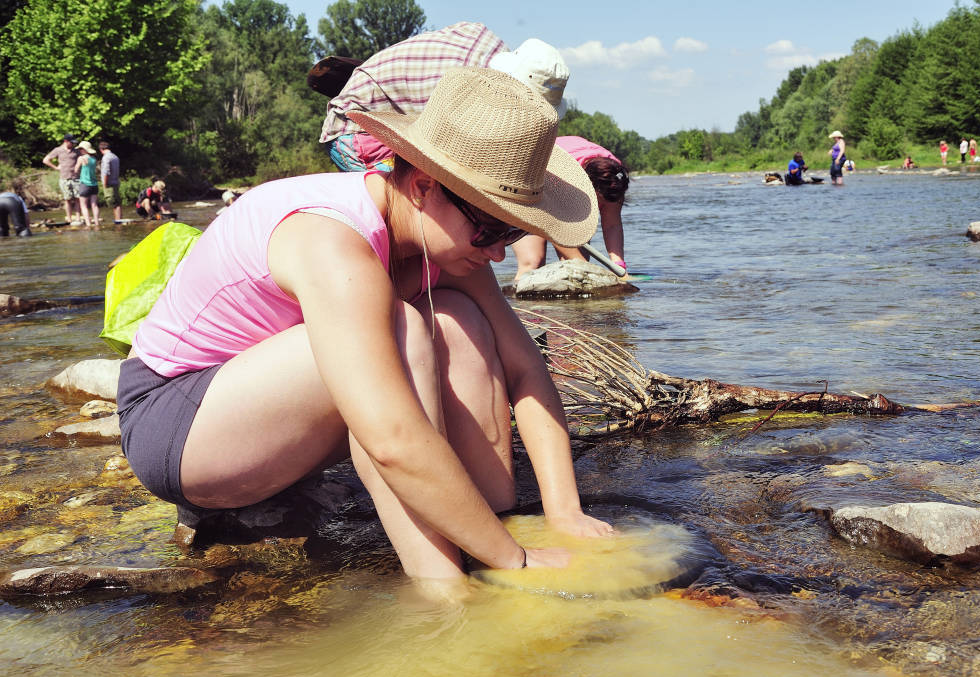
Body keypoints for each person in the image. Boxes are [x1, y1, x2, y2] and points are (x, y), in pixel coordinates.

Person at [117, 67, 613, 581]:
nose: (498, 253)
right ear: (423, 186)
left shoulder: (444, 240)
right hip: (176, 427)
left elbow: (525, 369)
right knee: (403, 331)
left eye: (511, 232)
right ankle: (444, 591)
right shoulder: (332, 240)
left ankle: (495, 519)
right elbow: (391, 439)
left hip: (272, 415)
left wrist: (563, 514)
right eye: (489, 228)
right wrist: (515, 559)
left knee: (459, 318)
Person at [318, 22, 569, 172]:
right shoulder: (469, 91)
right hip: (357, 128)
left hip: (384, 112)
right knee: (417, 209)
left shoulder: (487, 43)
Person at [512, 136, 629, 280]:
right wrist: (584, 267)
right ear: (587, 187)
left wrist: (619, 265)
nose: (600, 206)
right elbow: (551, 224)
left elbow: (612, 225)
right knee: (532, 263)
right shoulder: (563, 176)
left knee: (575, 269)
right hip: (527, 185)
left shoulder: (614, 178)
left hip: (570, 196)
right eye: (598, 201)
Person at [41, 134, 82, 224]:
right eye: (71, 142)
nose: (73, 144)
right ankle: (69, 218)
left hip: (76, 178)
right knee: (67, 199)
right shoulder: (58, 150)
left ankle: (78, 218)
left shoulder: (76, 151)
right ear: (66, 141)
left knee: (77, 199)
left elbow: (82, 160)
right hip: (64, 178)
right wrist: (56, 168)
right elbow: (45, 160)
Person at [74, 140, 101, 230]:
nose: (80, 150)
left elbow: (76, 170)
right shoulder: (94, 159)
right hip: (94, 184)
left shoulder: (81, 158)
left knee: (84, 205)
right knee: (94, 205)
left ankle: (88, 224)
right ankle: (96, 223)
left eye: (81, 149)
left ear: (84, 149)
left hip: (84, 184)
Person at [99, 142, 122, 221]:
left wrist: (104, 184)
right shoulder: (115, 157)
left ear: (101, 149)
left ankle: (118, 220)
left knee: (113, 203)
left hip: (109, 184)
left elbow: (106, 172)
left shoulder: (106, 158)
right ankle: (119, 220)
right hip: (116, 182)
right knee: (117, 203)